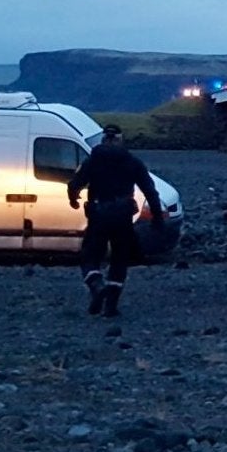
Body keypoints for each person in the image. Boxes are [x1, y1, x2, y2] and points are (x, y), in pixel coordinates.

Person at [68, 123, 165, 317]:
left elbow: (75, 183)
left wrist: (74, 199)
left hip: (98, 212)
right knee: (120, 259)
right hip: (123, 215)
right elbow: (150, 191)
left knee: (90, 255)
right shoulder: (132, 161)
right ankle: (110, 306)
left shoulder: (93, 161)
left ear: (103, 139)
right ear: (120, 139)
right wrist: (157, 217)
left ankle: (96, 285)